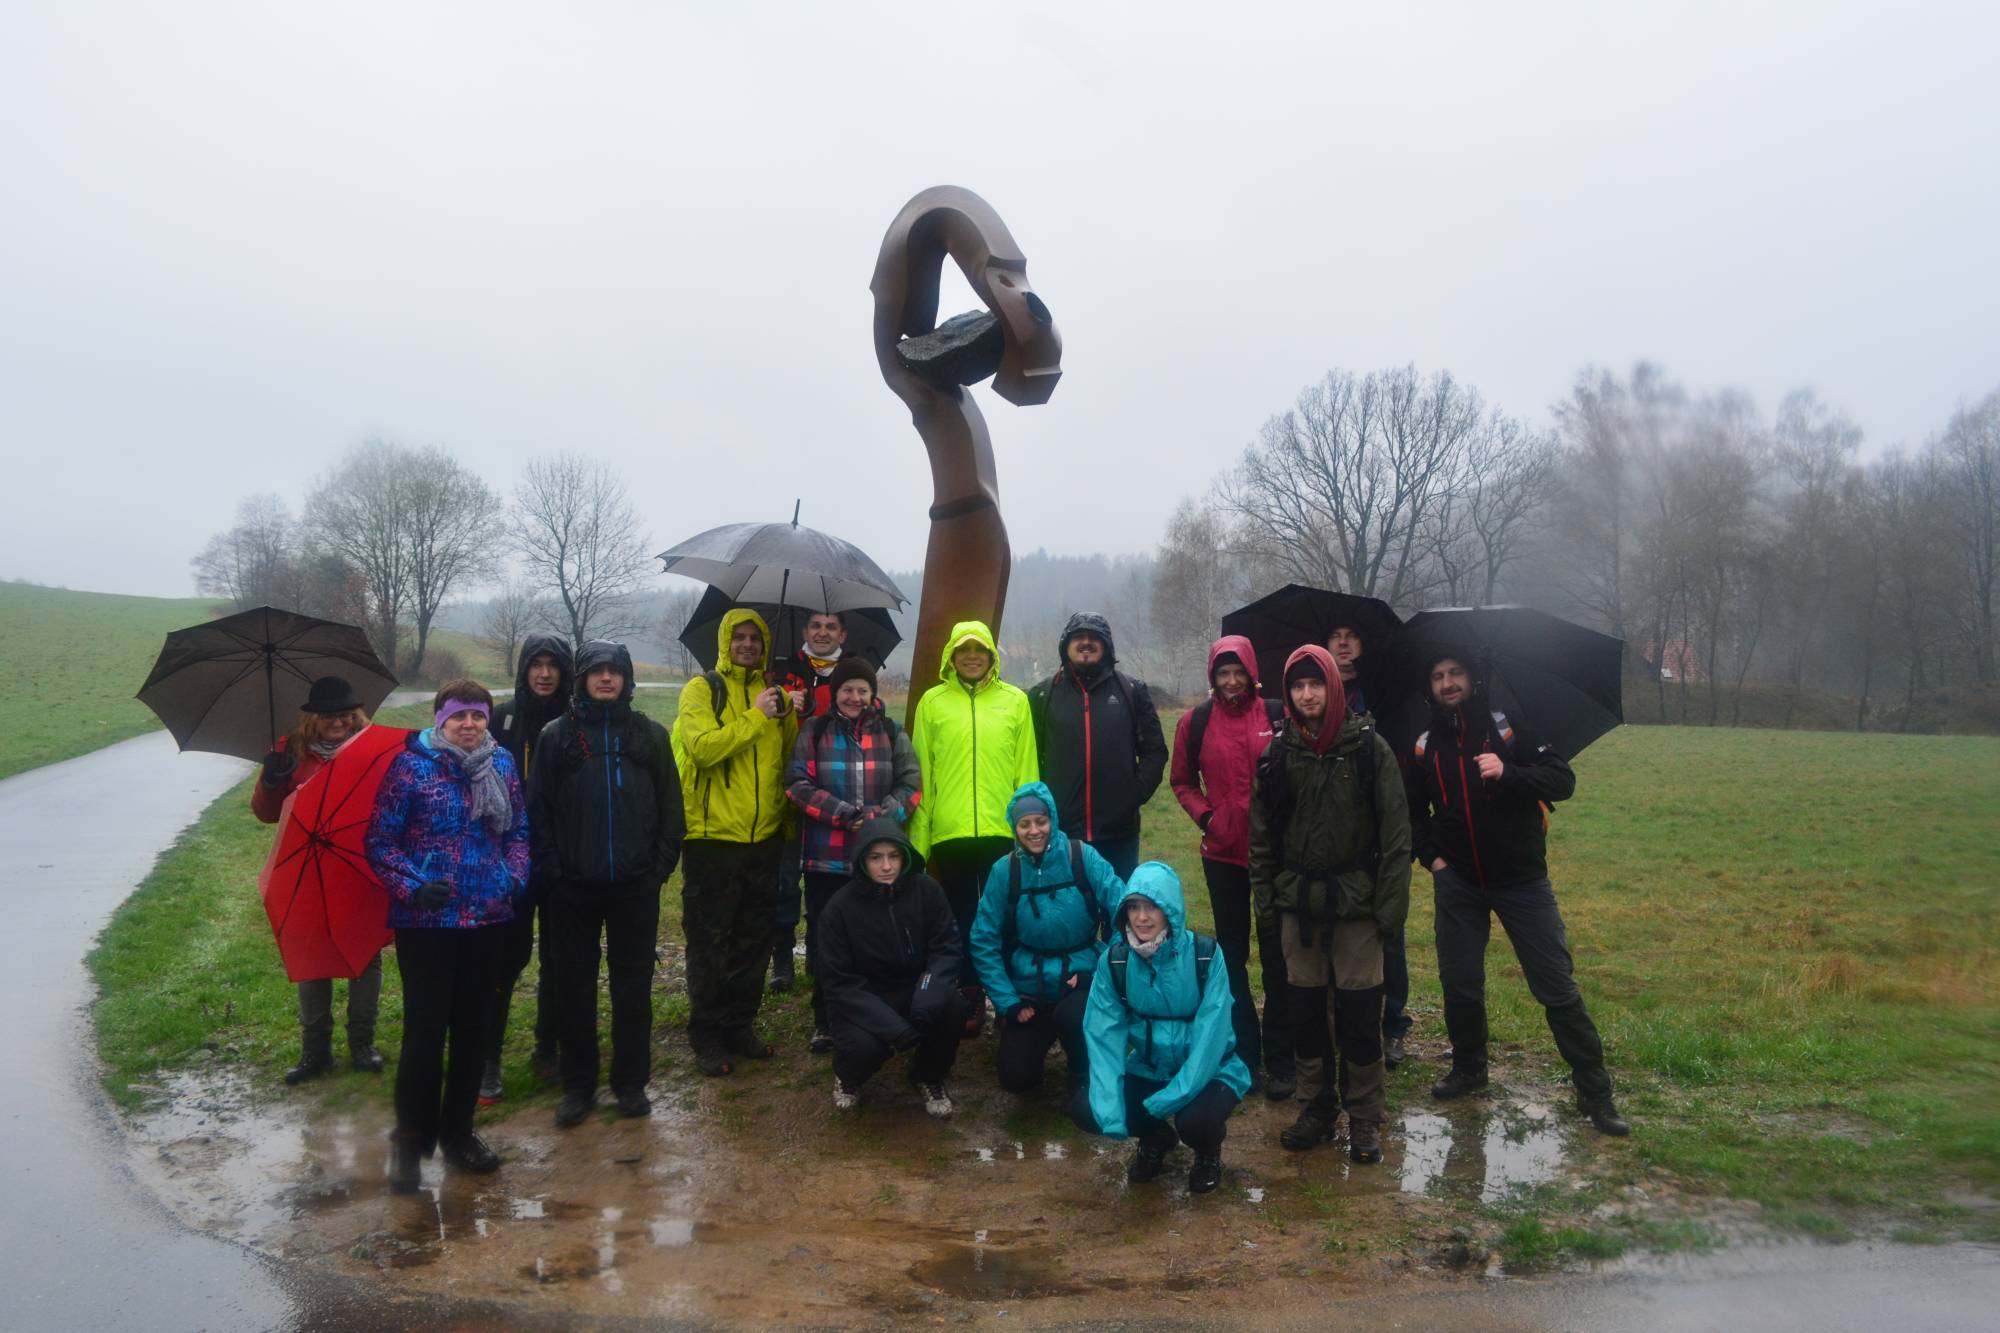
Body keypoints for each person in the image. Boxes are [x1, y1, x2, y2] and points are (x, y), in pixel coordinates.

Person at [1406, 652, 1629, 1136]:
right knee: (1460, 983)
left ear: (1472, 679)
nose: (1448, 683)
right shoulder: (1424, 744)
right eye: (1438, 675)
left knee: (1556, 986)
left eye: (1456, 674)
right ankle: (1469, 1068)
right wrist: (1434, 861)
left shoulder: (1510, 728)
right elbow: (1412, 814)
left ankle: (1595, 1092)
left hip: (1522, 881)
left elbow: (1562, 781)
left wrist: (1510, 773)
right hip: (1459, 883)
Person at [366, 679, 529, 1192]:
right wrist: (413, 886)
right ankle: (409, 1144)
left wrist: (512, 879)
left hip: (486, 917)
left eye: (478, 716)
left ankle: (460, 1135)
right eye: (458, 716)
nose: (469, 725)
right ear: (440, 719)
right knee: (424, 1035)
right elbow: (380, 841)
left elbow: (519, 833)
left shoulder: (500, 765)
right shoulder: (410, 767)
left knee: (472, 1034)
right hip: (427, 924)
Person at [1249, 645, 1409, 1164]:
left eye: (1316, 683)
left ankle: (1364, 1118)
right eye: (1296, 685)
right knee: (1306, 1015)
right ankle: (1315, 1107)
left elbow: (1396, 836)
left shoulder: (1369, 750)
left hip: (1358, 908)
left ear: (1333, 688)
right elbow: (1261, 839)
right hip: (1299, 907)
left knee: (1362, 1017)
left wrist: (1388, 913)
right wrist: (1267, 907)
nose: (1306, 694)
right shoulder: (1277, 754)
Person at [529, 642, 684, 1126]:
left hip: (635, 886)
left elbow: (671, 808)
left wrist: (658, 867)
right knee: (573, 987)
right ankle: (578, 1085)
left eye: (614, 671)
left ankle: (630, 1082)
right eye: (596, 671)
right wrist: (554, 871)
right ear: (582, 679)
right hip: (572, 887)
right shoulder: (557, 737)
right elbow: (539, 812)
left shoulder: (650, 736)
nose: (605, 679)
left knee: (633, 986)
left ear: (626, 679)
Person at [1071, 862, 1250, 1194]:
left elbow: (1212, 1038)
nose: (1141, 917)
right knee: (1088, 1108)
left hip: (1211, 1070)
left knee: (1195, 1123)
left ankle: (1207, 1151)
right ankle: (1156, 1139)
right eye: (1133, 907)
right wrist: (1109, 1110)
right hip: (1150, 1067)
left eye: (1151, 906)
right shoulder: (1114, 962)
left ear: (1170, 910)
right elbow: (1103, 1036)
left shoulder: (1206, 956)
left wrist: (1173, 1096)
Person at [1170, 635, 1295, 1100]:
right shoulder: (1195, 722)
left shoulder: (1278, 715)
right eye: (1222, 673)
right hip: (1222, 855)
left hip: (1275, 856)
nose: (1231, 681)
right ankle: (1246, 1053)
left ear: (1251, 671)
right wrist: (1207, 816)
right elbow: (1181, 780)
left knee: (1279, 957)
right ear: (1212, 677)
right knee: (1232, 956)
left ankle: (1284, 1059)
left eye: (1238, 671)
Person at [676, 608, 798, 1075]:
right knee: (710, 940)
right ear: (725, 642)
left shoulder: (777, 699)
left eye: (755, 638)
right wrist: (754, 715)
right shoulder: (702, 690)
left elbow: (784, 761)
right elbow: (702, 748)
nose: (747, 644)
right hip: (712, 839)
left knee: (754, 938)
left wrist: (782, 711)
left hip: (764, 838)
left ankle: (739, 1023)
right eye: (739, 637)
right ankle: (705, 1031)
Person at [785, 655, 921, 1053]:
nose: (855, 697)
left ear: (872, 694)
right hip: (827, 857)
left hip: (879, 860)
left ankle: (879, 1013)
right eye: (847, 689)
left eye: (863, 690)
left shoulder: (893, 732)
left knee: (877, 938)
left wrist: (878, 820)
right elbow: (796, 784)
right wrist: (844, 815)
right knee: (828, 939)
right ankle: (826, 1019)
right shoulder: (815, 730)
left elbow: (910, 784)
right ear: (836, 693)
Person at [252, 675, 385, 1083]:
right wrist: (273, 780)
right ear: (313, 717)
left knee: (364, 953)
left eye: (346, 714)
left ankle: (362, 1043)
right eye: (329, 715)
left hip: (356, 862)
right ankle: (316, 1052)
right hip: (305, 865)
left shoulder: (368, 748)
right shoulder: (288, 751)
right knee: (311, 954)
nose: (338, 722)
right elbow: (265, 812)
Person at [909, 620, 1039, 1037]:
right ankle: (968, 997)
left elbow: (1027, 770)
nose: (971, 656)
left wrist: (1030, 830)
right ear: (951, 655)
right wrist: (920, 841)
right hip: (952, 833)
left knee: (1006, 918)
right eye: (963, 650)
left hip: (1003, 834)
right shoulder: (932, 702)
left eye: (979, 650)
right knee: (962, 920)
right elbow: (921, 774)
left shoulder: (1015, 701)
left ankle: (1008, 998)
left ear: (991, 656)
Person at [969, 781, 1125, 1098]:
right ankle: (1036, 1054)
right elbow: (982, 940)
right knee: (1016, 1078)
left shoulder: (1082, 857)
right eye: (1024, 824)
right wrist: (1007, 1000)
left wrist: (1098, 974)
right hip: (1030, 987)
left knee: (1076, 1017)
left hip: (1081, 976)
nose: (1034, 831)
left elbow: (1126, 912)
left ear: (1052, 820)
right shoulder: (1005, 871)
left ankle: (1082, 1071)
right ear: (1015, 827)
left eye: (1041, 822)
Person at [816, 818, 964, 1116]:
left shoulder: (927, 890)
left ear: (905, 857)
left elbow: (946, 947)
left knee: (951, 1008)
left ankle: (928, 1075)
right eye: (876, 858)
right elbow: (839, 982)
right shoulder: (838, 909)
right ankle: (848, 1077)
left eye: (894, 856)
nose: (886, 866)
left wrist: (928, 991)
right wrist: (893, 1028)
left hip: (916, 987)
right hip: (865, 998)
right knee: (864, 1049)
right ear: (862, 861)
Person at [481, 633, 574, 1103]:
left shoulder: (576, 720)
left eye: (553, 665)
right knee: (503, 960)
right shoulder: (501, 718)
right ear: (523, 669)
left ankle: (548, 1048)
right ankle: (488, 1058)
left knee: (559, 960)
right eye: (536, 664)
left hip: (560, 859)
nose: (544, 673)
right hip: (508, 862)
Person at [1026, 612, 1168, 880]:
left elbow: (1155, 751)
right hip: (1062, 833)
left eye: (1094, 637)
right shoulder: (1043, 695)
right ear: (1065, 645)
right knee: (1072, 917)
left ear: (1107, 645)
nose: (1086, 642)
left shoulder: (1131, 690)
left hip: (1119, 834)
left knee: (1118, 913)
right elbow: (1030, 756)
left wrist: (1133, 796)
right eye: (1078, 637)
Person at [1327, 621, 1410, 1069]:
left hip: (1379, 830)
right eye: (1335, 636)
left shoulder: (1385, 693)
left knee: (1388, 930)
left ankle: (1392, 1023)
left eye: (1352, 635)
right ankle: (1345, 1020)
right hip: (1333, 837)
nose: (1343, 643)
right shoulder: (1312, 695)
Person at [768, 611, 851, 994]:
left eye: (830, 627)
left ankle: (820, 955)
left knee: (825, 881)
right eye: (815, 626)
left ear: (842, 634)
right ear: (804, 631)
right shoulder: (784, 671)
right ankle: (782, 958)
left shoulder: (851, 676)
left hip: (833, 795)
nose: (822, 633)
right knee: (784, 879)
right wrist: (784, 704)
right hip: (786, 791)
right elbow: (762, 722)